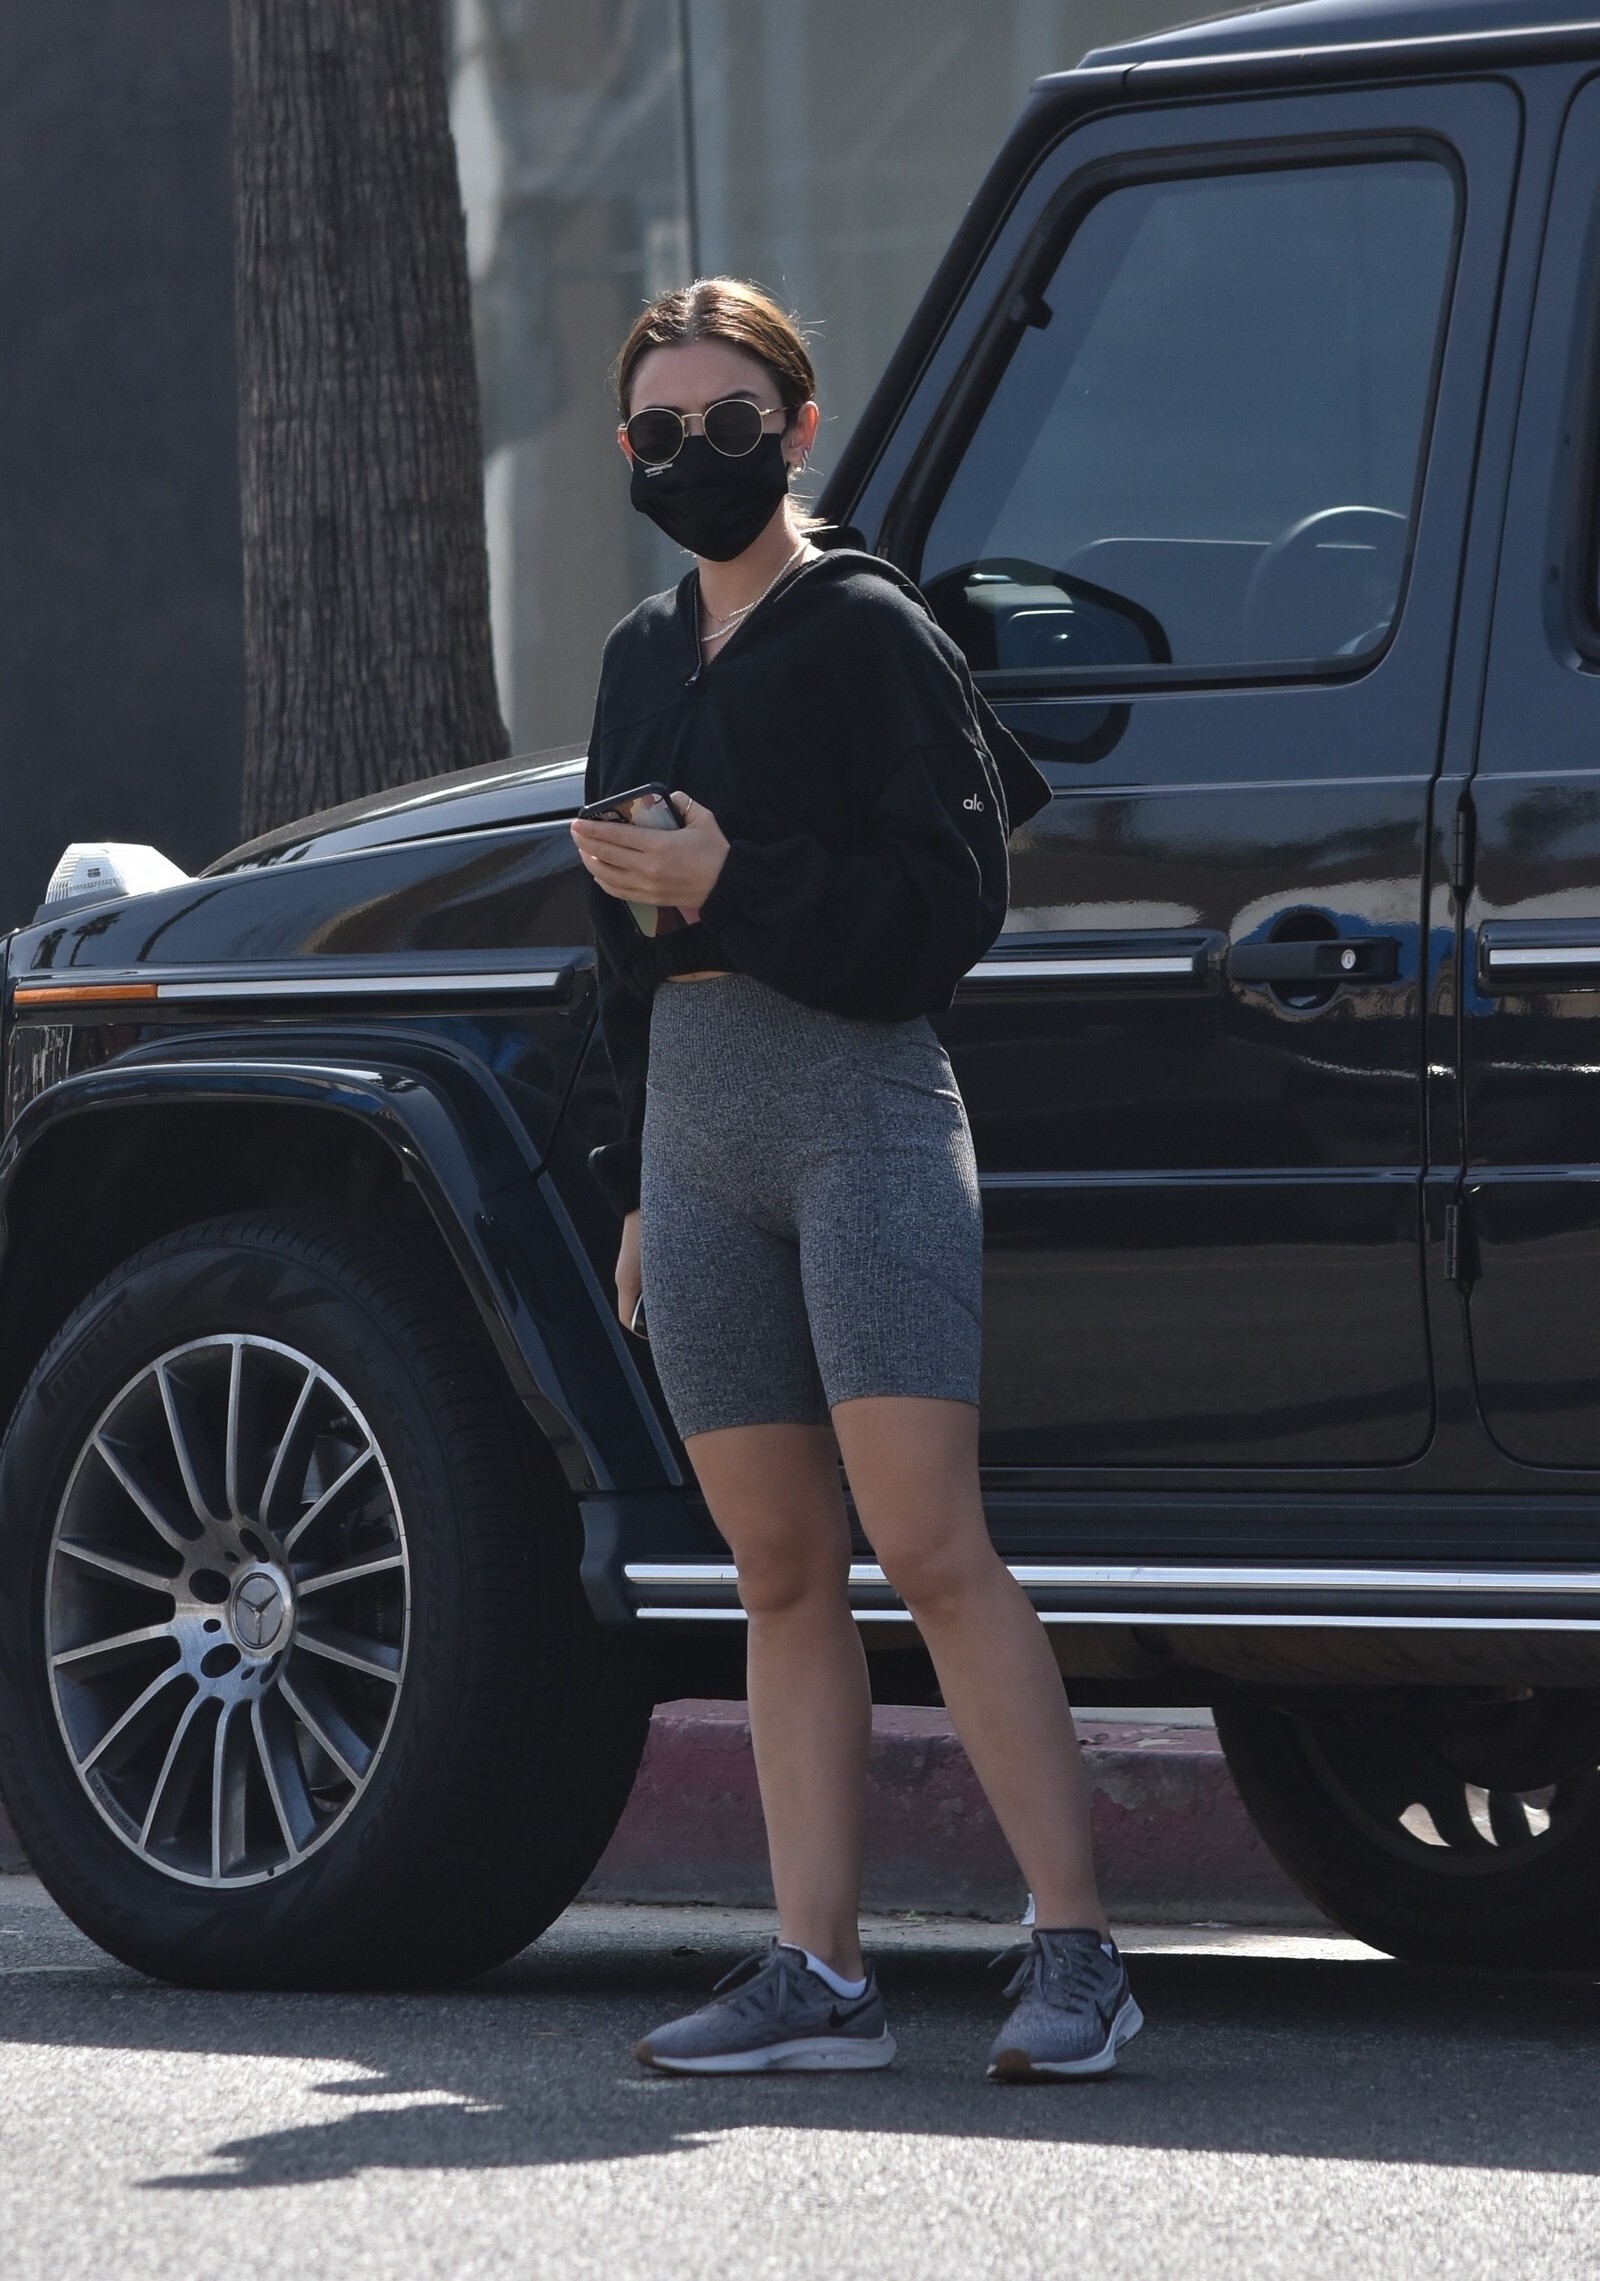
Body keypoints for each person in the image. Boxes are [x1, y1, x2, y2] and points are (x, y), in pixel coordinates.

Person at [570, 277, 1141, 2083]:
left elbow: (944, 913)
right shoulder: (638, 657)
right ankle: (820, 1972)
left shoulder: (871, 627)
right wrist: (637, 1182)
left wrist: (729, 880)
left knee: (929, 1542)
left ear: (798, 428)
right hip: (696, 1131)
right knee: (777, 1564)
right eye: (661, 429)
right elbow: (615, 955)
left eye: (731, 421)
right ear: (625, 446)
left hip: (861, 1108)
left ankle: (1079, 1952)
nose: (695, 452)